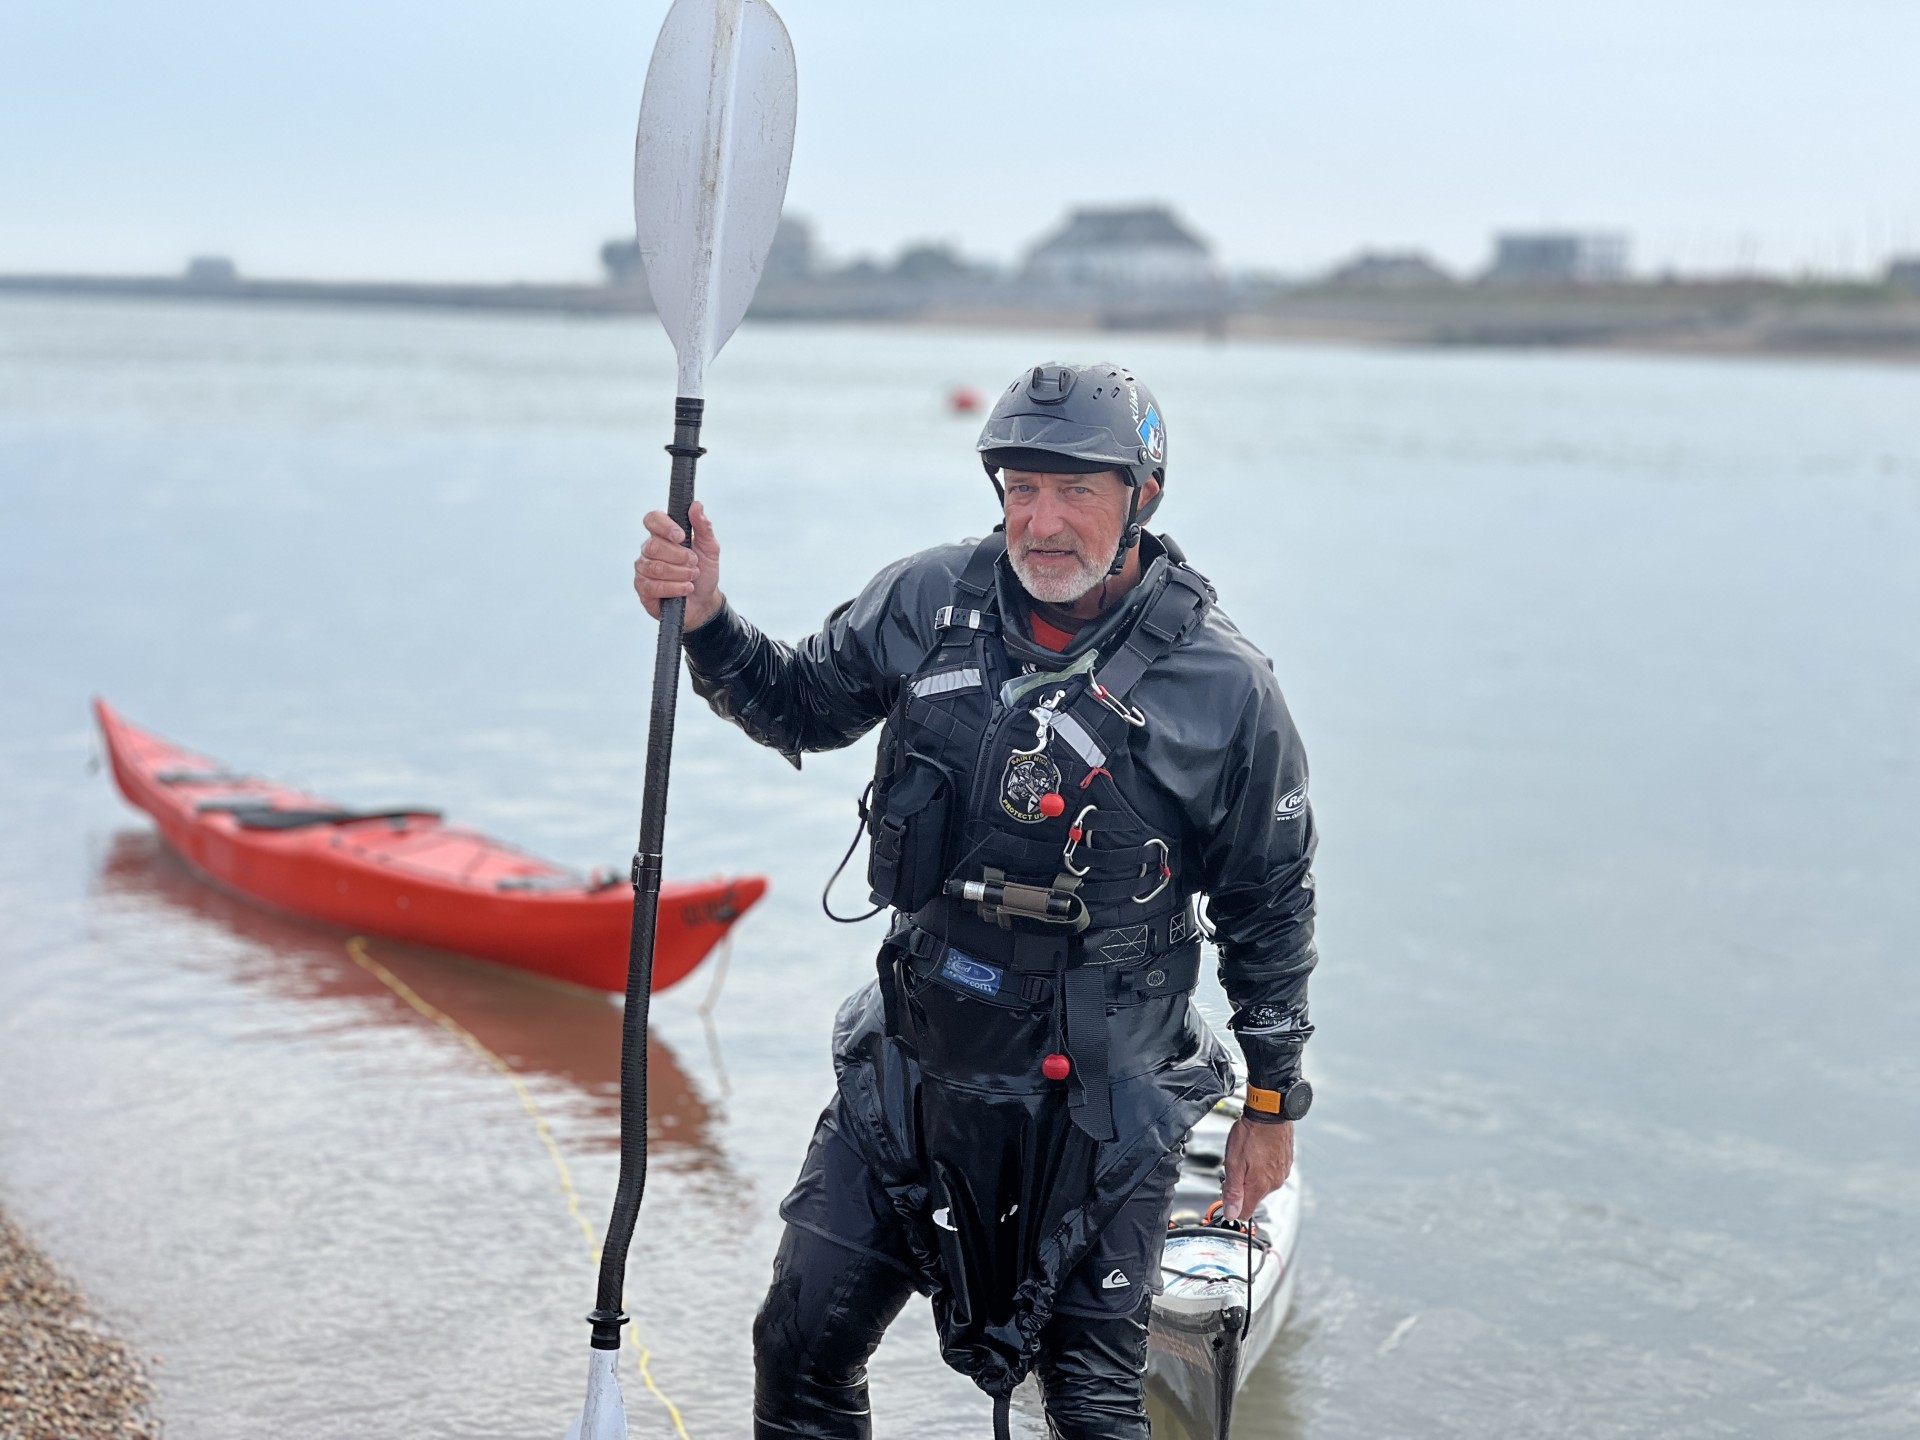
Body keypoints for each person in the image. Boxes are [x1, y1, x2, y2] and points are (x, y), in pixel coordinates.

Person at [633, 362, 1319, 1440]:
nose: (1041, 522)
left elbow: (1269, 909)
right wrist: (710, 620)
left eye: (1077, 491)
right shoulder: (925, 601)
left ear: (1144, 494)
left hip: (1100, 1104)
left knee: (1093, 1403)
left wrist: (1273, 1110)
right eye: (1021, 487)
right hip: (914, 1071)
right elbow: (803, 707)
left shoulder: (1226, 688)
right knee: (797, 1346)